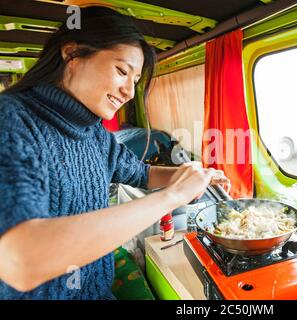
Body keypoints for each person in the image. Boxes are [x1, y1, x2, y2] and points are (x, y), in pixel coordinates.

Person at [0, 6, 230, 299]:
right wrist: (172, 196)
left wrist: (195, 177)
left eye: (135, 81)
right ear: (72, 54)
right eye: (122, 71)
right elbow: (21, 260)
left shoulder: (95, 133)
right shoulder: (11, 120)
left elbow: (144, 174)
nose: (129, 92)